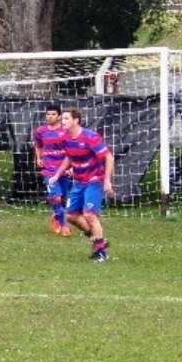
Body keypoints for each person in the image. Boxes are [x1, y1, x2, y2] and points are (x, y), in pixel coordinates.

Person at [48, 109, 114, 262]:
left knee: (89, 214)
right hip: (79, 181)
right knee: (70, 216)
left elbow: (109, 157)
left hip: (94, 180)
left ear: (76, 120)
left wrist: (107, 180)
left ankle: (101, 253)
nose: (62, 121)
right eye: (62, 119)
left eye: (66, 118)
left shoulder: (90, 136)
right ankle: (98, 239)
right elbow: (69, 156)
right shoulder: (65, 137)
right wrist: (58, 174)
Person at [34, 103, 72, 237]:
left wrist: (72, 166)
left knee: (64, 199)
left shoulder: (66, 131)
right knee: (56, 198)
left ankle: (57, 215)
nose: (50, 116)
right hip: (49, 170)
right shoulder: (40, 131)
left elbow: (72, 150)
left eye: (53, 114)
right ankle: (64, 226)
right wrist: (38, 157)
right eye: (48, 114)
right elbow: (38, 145)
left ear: (59, 116)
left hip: (64, 169)